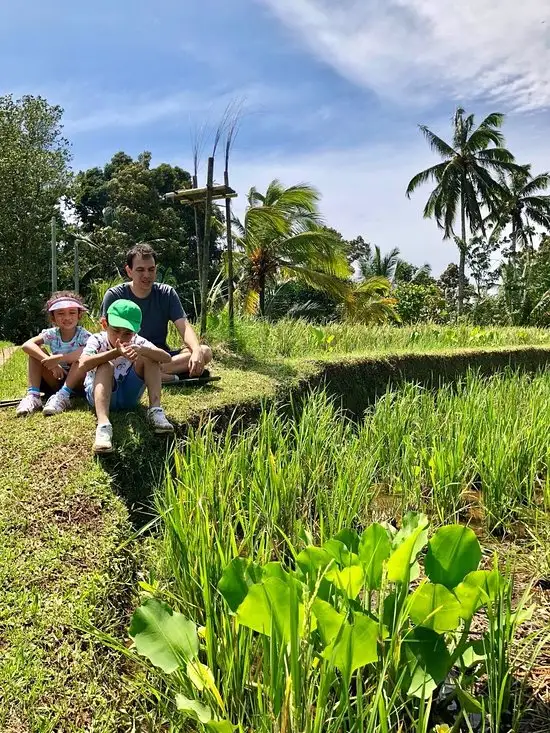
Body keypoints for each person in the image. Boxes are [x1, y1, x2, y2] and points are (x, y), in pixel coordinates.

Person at [101, 243, 212, 382]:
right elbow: (106, 334)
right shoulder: (115, 295)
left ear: (156, 270)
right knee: (140, 362)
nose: (146, 275)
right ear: (129, 271)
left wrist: (196, 351)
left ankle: (157, 375)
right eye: (140, 270)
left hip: (162, 356)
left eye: (151, 269)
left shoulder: (166, 293)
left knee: (205, 351)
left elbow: (184, 327)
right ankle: (173, 376)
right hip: (129, 356)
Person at [79, 299, 174, 454]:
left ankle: (156, 410)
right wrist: (114, 353)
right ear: (104, 324)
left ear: (136, 331)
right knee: (105, 365)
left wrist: (143, 350)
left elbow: (166, 358)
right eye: (116, 330)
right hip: (100, 394)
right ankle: (103, 425)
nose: (121, 337)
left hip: (128, 396)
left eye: (127, 333)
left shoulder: (137, 341)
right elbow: (82, 364)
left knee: (151, 358)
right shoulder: (97, 340)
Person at [16, 291, 90, 417]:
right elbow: (27, 345)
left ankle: (64, 395)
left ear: (79, 315)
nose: (67, 318)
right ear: (53, 318)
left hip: (78, 382)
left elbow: (87, 351)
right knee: (36, 352)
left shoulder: (83, 335)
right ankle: (33, 396)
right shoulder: (52, 334)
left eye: (72, 312)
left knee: (80, 360)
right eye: (61, 313)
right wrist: (51, 362)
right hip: (57, 378)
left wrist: (60, 358)